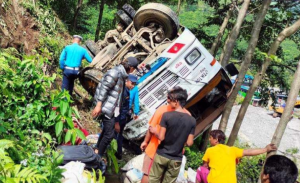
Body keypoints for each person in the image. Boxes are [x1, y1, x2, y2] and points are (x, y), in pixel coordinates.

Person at [140, 86, 191, 183]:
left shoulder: (163, 110)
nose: (167, 100)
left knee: (148, 175)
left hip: (155, 150)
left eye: (169, 97)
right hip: (174, 156)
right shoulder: (189, 116)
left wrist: (145, 141)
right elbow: (188, 140)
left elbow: (151, 128)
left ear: (175, 100)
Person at [92, 57, 139, 156]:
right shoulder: (115, 73)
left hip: (111, 109)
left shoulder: (122, 76)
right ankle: (98, 156)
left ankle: (97, 150)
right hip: (106, 107)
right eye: (134, 69)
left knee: (106, 131)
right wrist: (98, 105)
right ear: (130, 67)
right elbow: (104, 88)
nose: (133, 71)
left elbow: (118, 99)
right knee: (109, 135)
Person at [202, 130, 277, 183]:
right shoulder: (232, 150)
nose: (209, 139)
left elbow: (204, 167)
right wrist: (265, 149)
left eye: (210, 138)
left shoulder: (209, 150)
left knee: (200, 170)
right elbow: (248, 152)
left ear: (216, 140)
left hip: (214, 181)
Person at [114, 74, 138, 159]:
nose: (133, 86)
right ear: (127, 81)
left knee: (118, 134)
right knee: (115, 134)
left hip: (123, 116)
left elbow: (136, 101)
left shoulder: (133, 89)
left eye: (134, 84)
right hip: (119, 115)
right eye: (132, 83)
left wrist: (136, 112)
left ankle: (117, 153)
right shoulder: (122, 89)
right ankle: (116, 152)